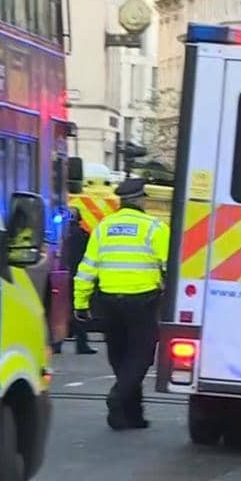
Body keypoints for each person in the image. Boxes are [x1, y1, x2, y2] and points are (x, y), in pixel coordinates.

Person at [74, 177, 170, 430]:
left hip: (109, 302)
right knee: (141, 356)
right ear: (141, 200)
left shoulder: (103, 227)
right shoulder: (155, 228)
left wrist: (80, 303)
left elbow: (87, 269)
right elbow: (169, 266)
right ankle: (117, 397)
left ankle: (131, 414)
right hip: (142, 301)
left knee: (119, 355)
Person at [56, 208, 96, 355]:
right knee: (79, 310)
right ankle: (81, 344)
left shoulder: (59, 233)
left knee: (60, 310)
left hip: (60, 274)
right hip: (77, 275)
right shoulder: (83, 235)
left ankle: (56, 344)